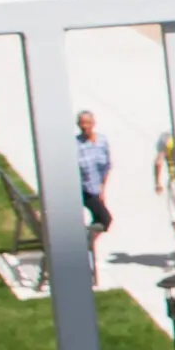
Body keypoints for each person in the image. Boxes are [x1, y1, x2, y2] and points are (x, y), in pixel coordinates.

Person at [74, 111, 111, 283]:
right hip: (84, 190)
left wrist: (103, 188)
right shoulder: (75, 145)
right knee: (105, 218)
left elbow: (106, 166)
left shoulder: (102, 141)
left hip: (96, 188)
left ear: (93, 123)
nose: (85, 126)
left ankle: (87, 246)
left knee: (100, 220)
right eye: (82, 123)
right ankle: (86, 247)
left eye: (88, 122)